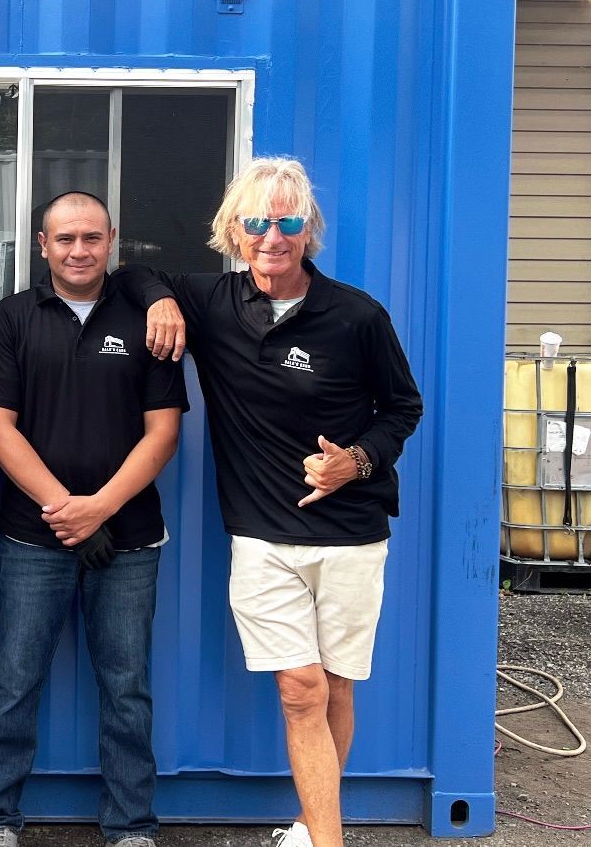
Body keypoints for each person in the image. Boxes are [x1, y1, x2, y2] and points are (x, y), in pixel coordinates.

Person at [119, 158, 423, 847]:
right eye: (257, 221)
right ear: (234, 229)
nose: (272, 236)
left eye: (287, 221)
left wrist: (359, 459)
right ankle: (331, 843)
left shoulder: (357, 315)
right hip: (261, 536)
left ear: (308, 229)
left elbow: (402, 406)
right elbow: (133, 272)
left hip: (351, 533)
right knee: (301, 689)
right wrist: (161, 301)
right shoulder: (213, 301)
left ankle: (311, 829)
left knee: (337, 689)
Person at [0, 192, 187, 847]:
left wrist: (101, 508)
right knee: (15, 679)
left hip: (132, 536)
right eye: (65, 239)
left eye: (91, 237)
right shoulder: (10, 319)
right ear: (42, 244)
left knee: (127, 686)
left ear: (111, 239)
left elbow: (164, 432)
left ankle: (131, 825)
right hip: (33, 536)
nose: (79, 250)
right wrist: (67, 508)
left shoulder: (148, 319)